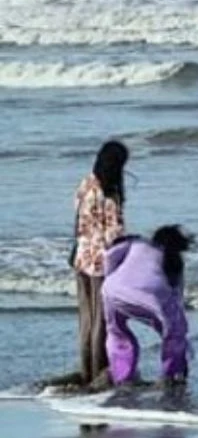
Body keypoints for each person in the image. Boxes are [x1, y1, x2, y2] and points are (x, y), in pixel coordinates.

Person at [100, 225, 195, 386]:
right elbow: (177, 296)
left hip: (112, 292)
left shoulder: (136, 244)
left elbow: (109, 257)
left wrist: (111, 276)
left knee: (117, 332)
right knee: (174, 332)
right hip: (149, 301)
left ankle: (122, 376)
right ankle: (171, 374)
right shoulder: (175, 263)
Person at [68, 140, 128, 388]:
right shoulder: (108, 193)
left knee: (86, 320)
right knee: (101, 321)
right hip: (102, 262)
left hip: (81, 257)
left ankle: (85, 370)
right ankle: (99, 373)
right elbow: (114, 235)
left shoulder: (85, 183)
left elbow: (78, 221)